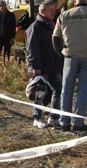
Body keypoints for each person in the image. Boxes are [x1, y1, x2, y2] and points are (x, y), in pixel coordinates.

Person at [25, 1, 62, 129]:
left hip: (52, 66)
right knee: (39, 92)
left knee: (57, 90)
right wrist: (36, 67)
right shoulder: (35, 27)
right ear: (42, 11)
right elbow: (32, 49)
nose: (53, 12)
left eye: (54, 10)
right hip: (40, 67)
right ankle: (37, 117)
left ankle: (54, 118)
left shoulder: (51, 26)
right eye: (51, 10)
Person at [52, 0, 87, 132]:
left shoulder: (64, 15)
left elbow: (55, 38)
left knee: (66, 89)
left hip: (69, 55)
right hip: (86, 56)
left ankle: (64, 121)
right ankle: (78, 121)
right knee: (83, 89)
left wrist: (62, 53)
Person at [0, 1, 16, 74]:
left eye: (3, 5)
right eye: (0, 6)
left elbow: (13, 27)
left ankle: (6, 71)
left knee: (7, 54)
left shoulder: (11, 15)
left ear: (5, 5)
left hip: (8, 37)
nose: (2, 7)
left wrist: (12, 37)